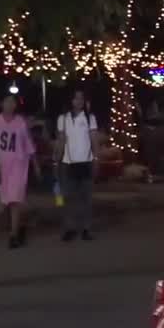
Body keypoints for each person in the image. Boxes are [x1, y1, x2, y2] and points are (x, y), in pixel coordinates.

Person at [0, 93, 40, 249]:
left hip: (18, 166)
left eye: (12, 102)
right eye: (7, 102)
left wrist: (35, 165)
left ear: (15, 105)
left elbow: (29, 145)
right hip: (1, 168)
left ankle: (13, 235)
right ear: (1, 104)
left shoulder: (20, 122)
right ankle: (18, 227)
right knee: (6, 202)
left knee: (15, 200)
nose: (9, 105)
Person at [55, 89, 99, 242]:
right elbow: (61, 141)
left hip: (86, 162)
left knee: (86, 198)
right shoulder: (63, 119)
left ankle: (86, 228)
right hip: (68, 163)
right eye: (76, 98)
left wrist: (96, 158)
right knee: (68, 198)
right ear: (70, 101)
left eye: (81, 99)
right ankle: (70, 228)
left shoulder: (90, 118)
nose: (78, 102)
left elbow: (94, 140)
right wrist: (57, 160)